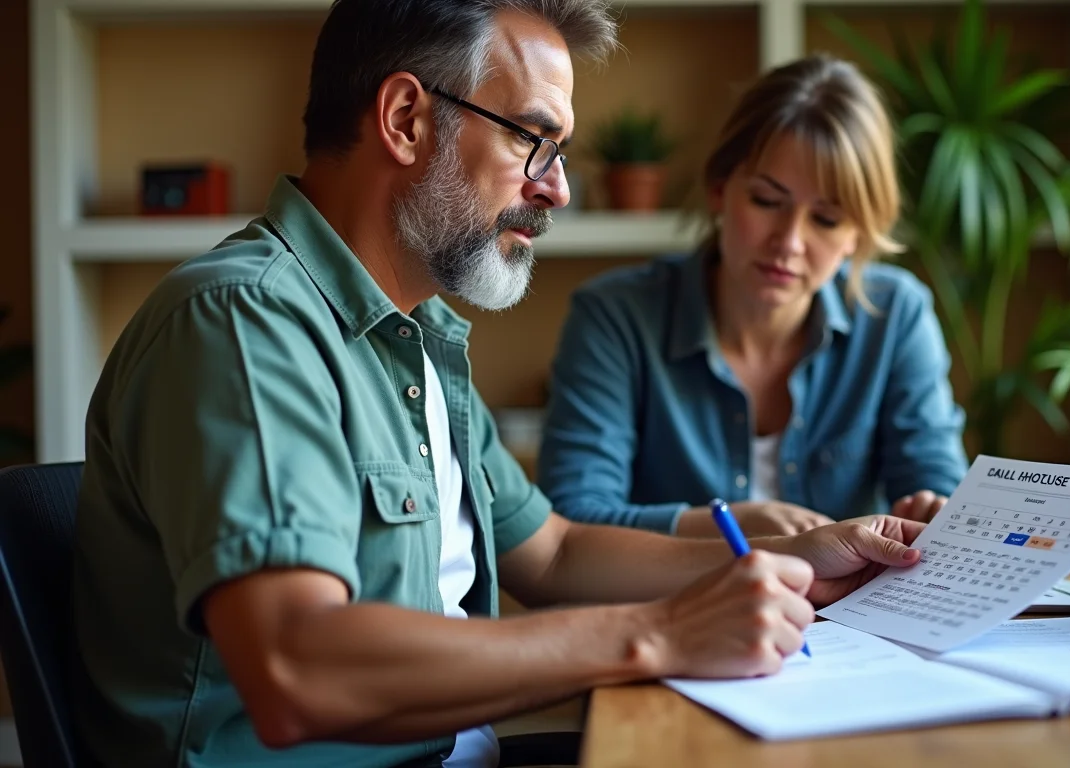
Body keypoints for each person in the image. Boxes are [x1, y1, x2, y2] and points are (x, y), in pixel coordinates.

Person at [70, 4, 929, 767]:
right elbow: (298, 665)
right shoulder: (244, 324)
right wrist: (660, 635)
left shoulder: (411, 339)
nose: (554, 186)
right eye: (533, 139)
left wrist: (796, 558)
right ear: (406, 119)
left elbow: (552, 553)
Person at [538, 54, 970, 540]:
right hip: (673, 613)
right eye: (767, 201)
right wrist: (732, 527)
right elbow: (572, 521)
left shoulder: (896, 316)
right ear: (721, 190)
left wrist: (938, 508)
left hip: (845, 616)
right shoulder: (615, 317)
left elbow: (935, 482)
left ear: (857, 236)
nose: (789, 241)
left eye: (826, 220)